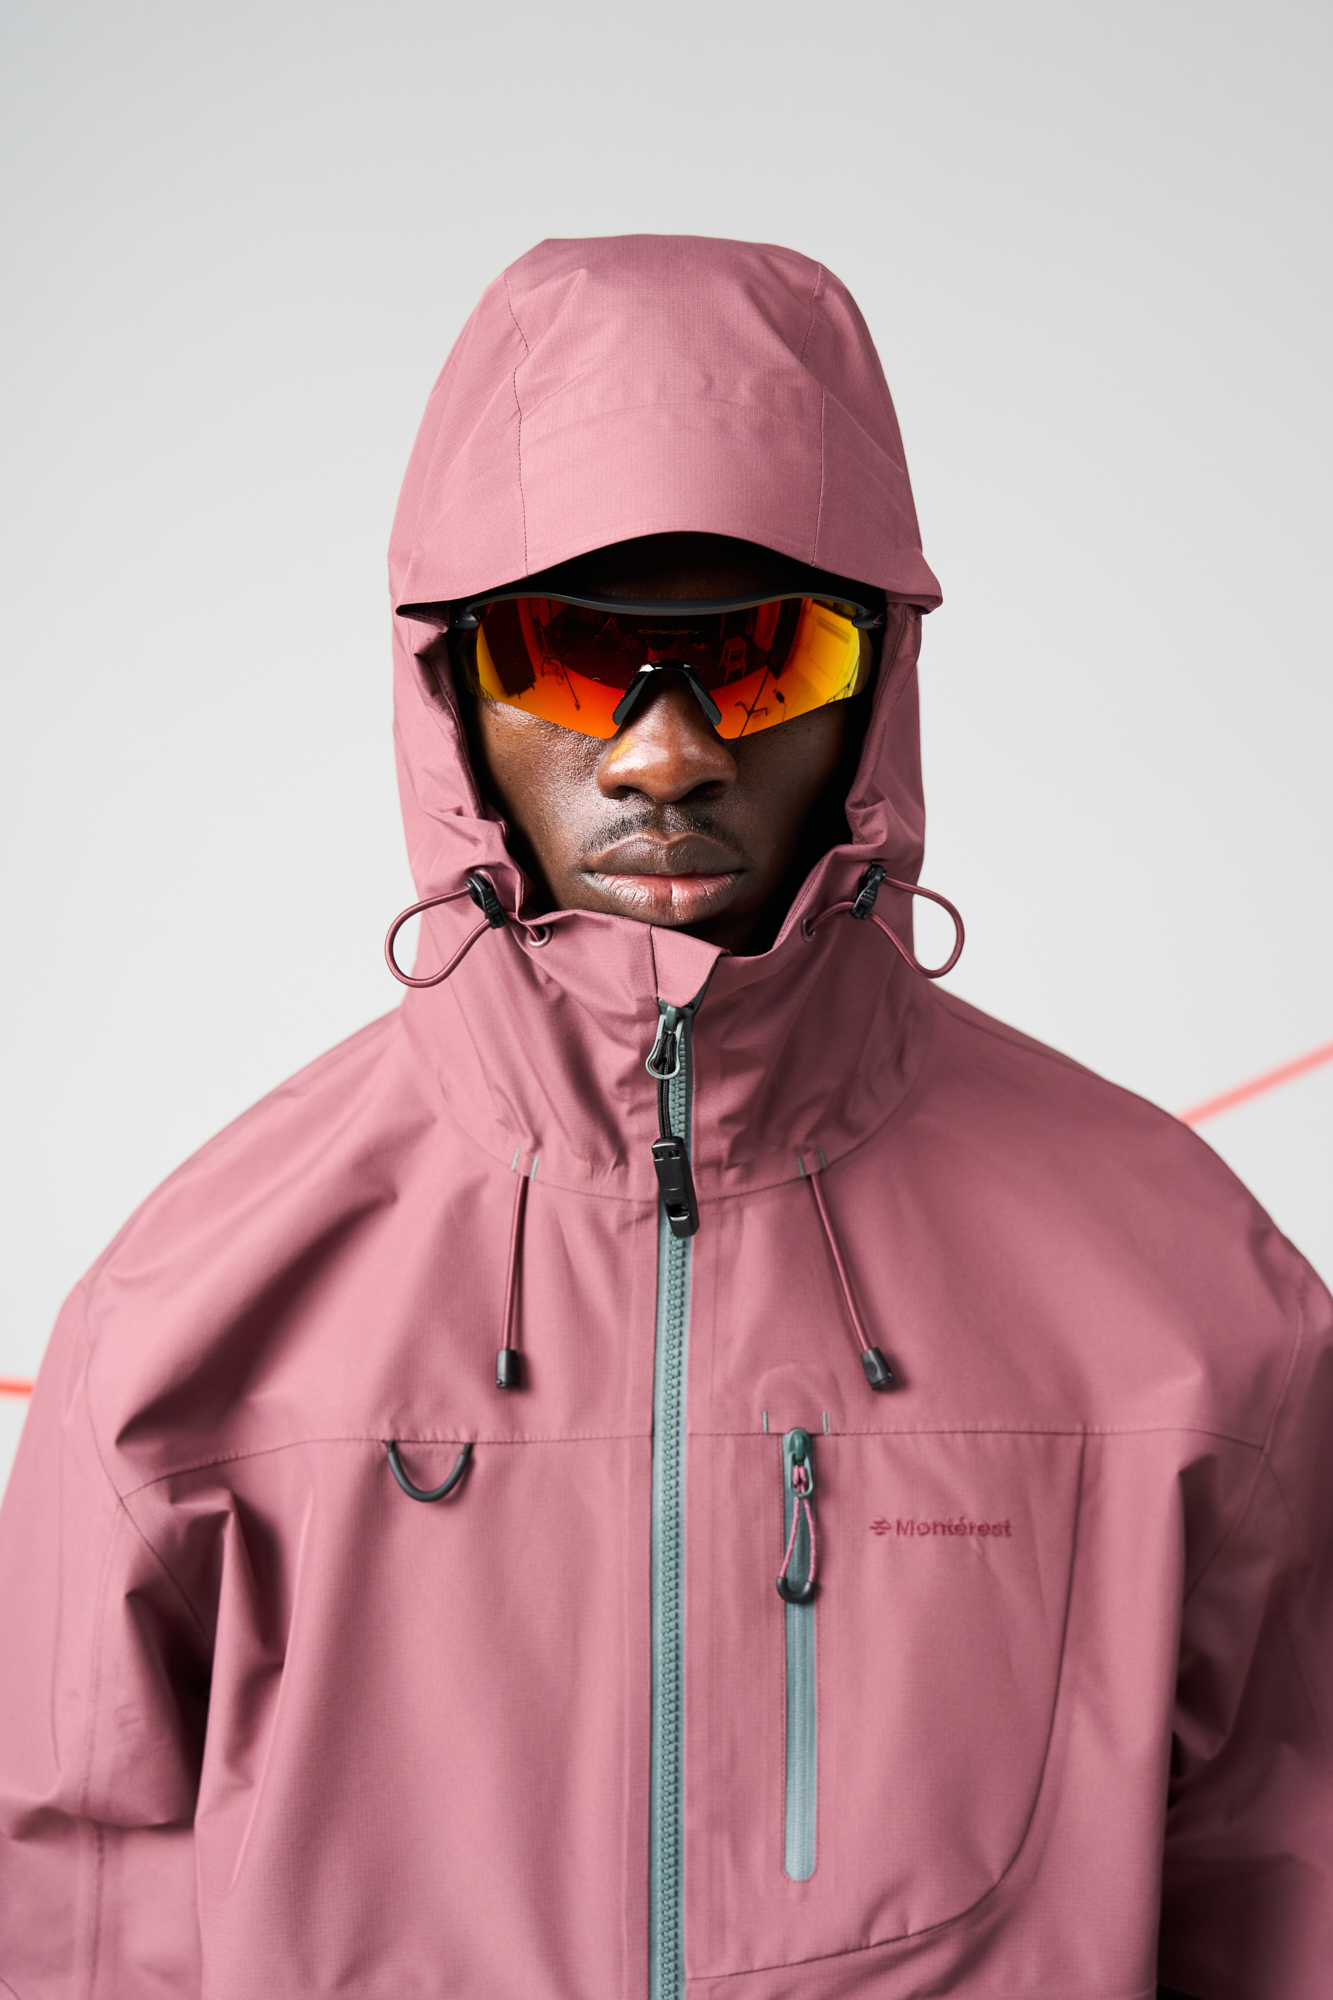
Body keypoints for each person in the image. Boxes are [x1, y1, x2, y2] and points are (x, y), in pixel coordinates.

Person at [0, 234, 1328, 2000]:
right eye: (571, 657)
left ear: (876, 684)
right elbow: (75, 1924)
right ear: (449, 688)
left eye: (760, 657)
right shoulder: (195, 1311)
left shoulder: (1179, 1300)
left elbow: (1289, 1895)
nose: (664, 753)